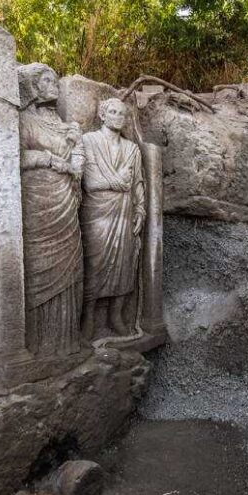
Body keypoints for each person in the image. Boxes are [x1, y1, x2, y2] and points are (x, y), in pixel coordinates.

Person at [18, 63, 85, 357]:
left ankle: (65, 340)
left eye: (56, 80)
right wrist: (48, 159)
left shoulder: (65, 125)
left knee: (69, 265)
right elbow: (17, 156)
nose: (53, 85)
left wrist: (76, 152)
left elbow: (78, 160)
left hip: (67, 200)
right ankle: (39, 343)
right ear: (33, 86)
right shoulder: (24, 121)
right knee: (40, 266)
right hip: (39, 200)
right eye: (47, 80)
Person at [79, 98, 146, 339]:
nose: (118, 116)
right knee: (94, 263)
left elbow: (137, 182)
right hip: (97, 213)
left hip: (125, 212)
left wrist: (141, 210)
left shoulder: (132, 149)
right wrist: (118, 182)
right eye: (113, 112)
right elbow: (91, 182)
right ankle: (88, 316)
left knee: (124, 263)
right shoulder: (89, 141)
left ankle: (115, 315)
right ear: (103, 115)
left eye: (122, 113)